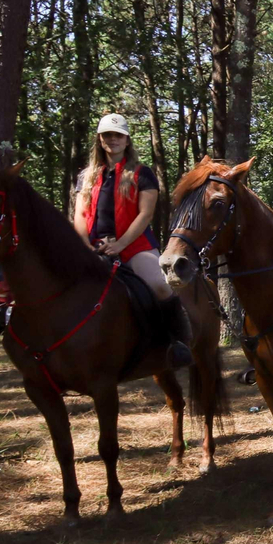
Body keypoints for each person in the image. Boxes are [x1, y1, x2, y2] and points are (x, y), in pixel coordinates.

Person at [73, 112, 192, 367]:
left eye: (118, 135)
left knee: (158, 284)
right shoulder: (85, 176)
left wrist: (120, 245)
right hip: (93, 247)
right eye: (107, 135)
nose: (112, 140)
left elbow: (145, 214)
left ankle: (177, 341)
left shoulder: (142, 173)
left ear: (127, 141)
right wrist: (84, 246)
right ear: (100, 140)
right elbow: (80, 215)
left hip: (135, 246)